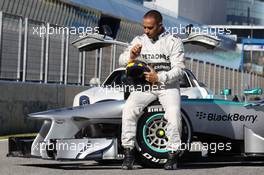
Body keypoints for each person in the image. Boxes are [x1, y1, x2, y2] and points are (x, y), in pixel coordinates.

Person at [119, 10, 185, 170]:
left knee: (174, 114)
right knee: (128, 109)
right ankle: (128, 153)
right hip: (145, 87)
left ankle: (173, 155)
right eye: (144, 27)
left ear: (160, 25)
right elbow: (121, 61)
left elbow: (180, 70)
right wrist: (132, 56)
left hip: (167, 87)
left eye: (150, 28)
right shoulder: (139, 40)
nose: (146, 31)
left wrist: (159, 77)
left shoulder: (173, 41)